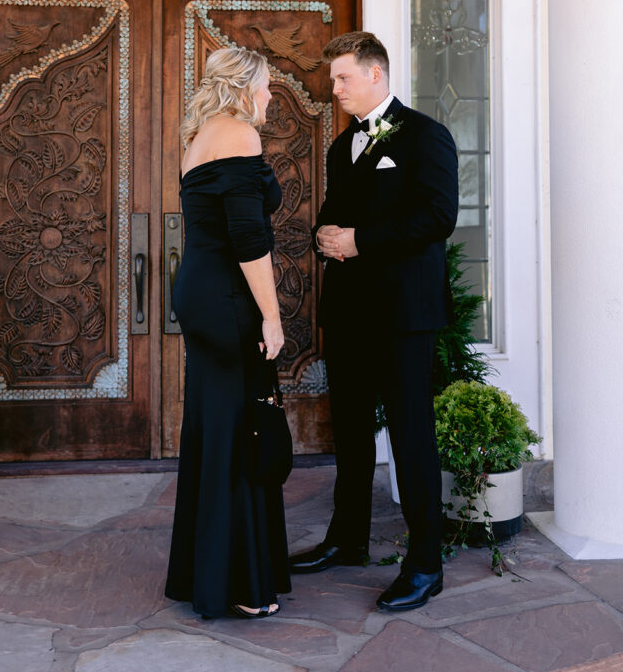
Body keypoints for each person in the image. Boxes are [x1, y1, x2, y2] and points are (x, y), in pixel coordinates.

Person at [289, 31, 458, 611]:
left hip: (404, 314)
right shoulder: (343, 146)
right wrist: (324, 235)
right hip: (349, 312)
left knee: (411, 435)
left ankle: (426, 564)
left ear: (375, 74)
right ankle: (348, 540)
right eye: (333, 79)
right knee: (352, 431)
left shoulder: (426, 136)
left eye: (342, 78)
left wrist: (360, 240)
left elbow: (438, 216)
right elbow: (336, 213)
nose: (334, 89)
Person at [165, 46, 290, 620]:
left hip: (200, 291)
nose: (270, 94)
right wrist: (272, 315)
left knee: (215, 426)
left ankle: (207, 575)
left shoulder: (198, 138)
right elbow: (247, 239)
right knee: (240, 427)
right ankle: (240, 584)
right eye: (265, 85)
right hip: (226, 296)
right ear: (242, 88)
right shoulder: (239, 135)